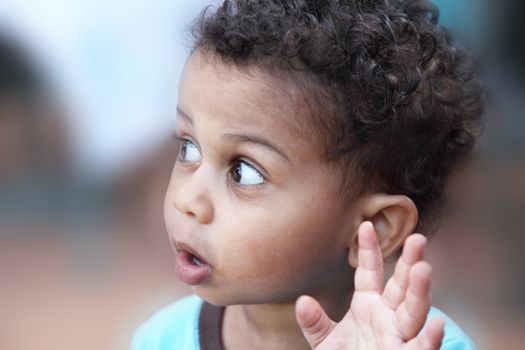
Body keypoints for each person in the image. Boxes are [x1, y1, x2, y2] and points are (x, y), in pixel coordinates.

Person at [131, 0, 484, 349]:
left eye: (244, 172)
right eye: (188, 149)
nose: (186, 198)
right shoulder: (161, 338)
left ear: (373, 228)